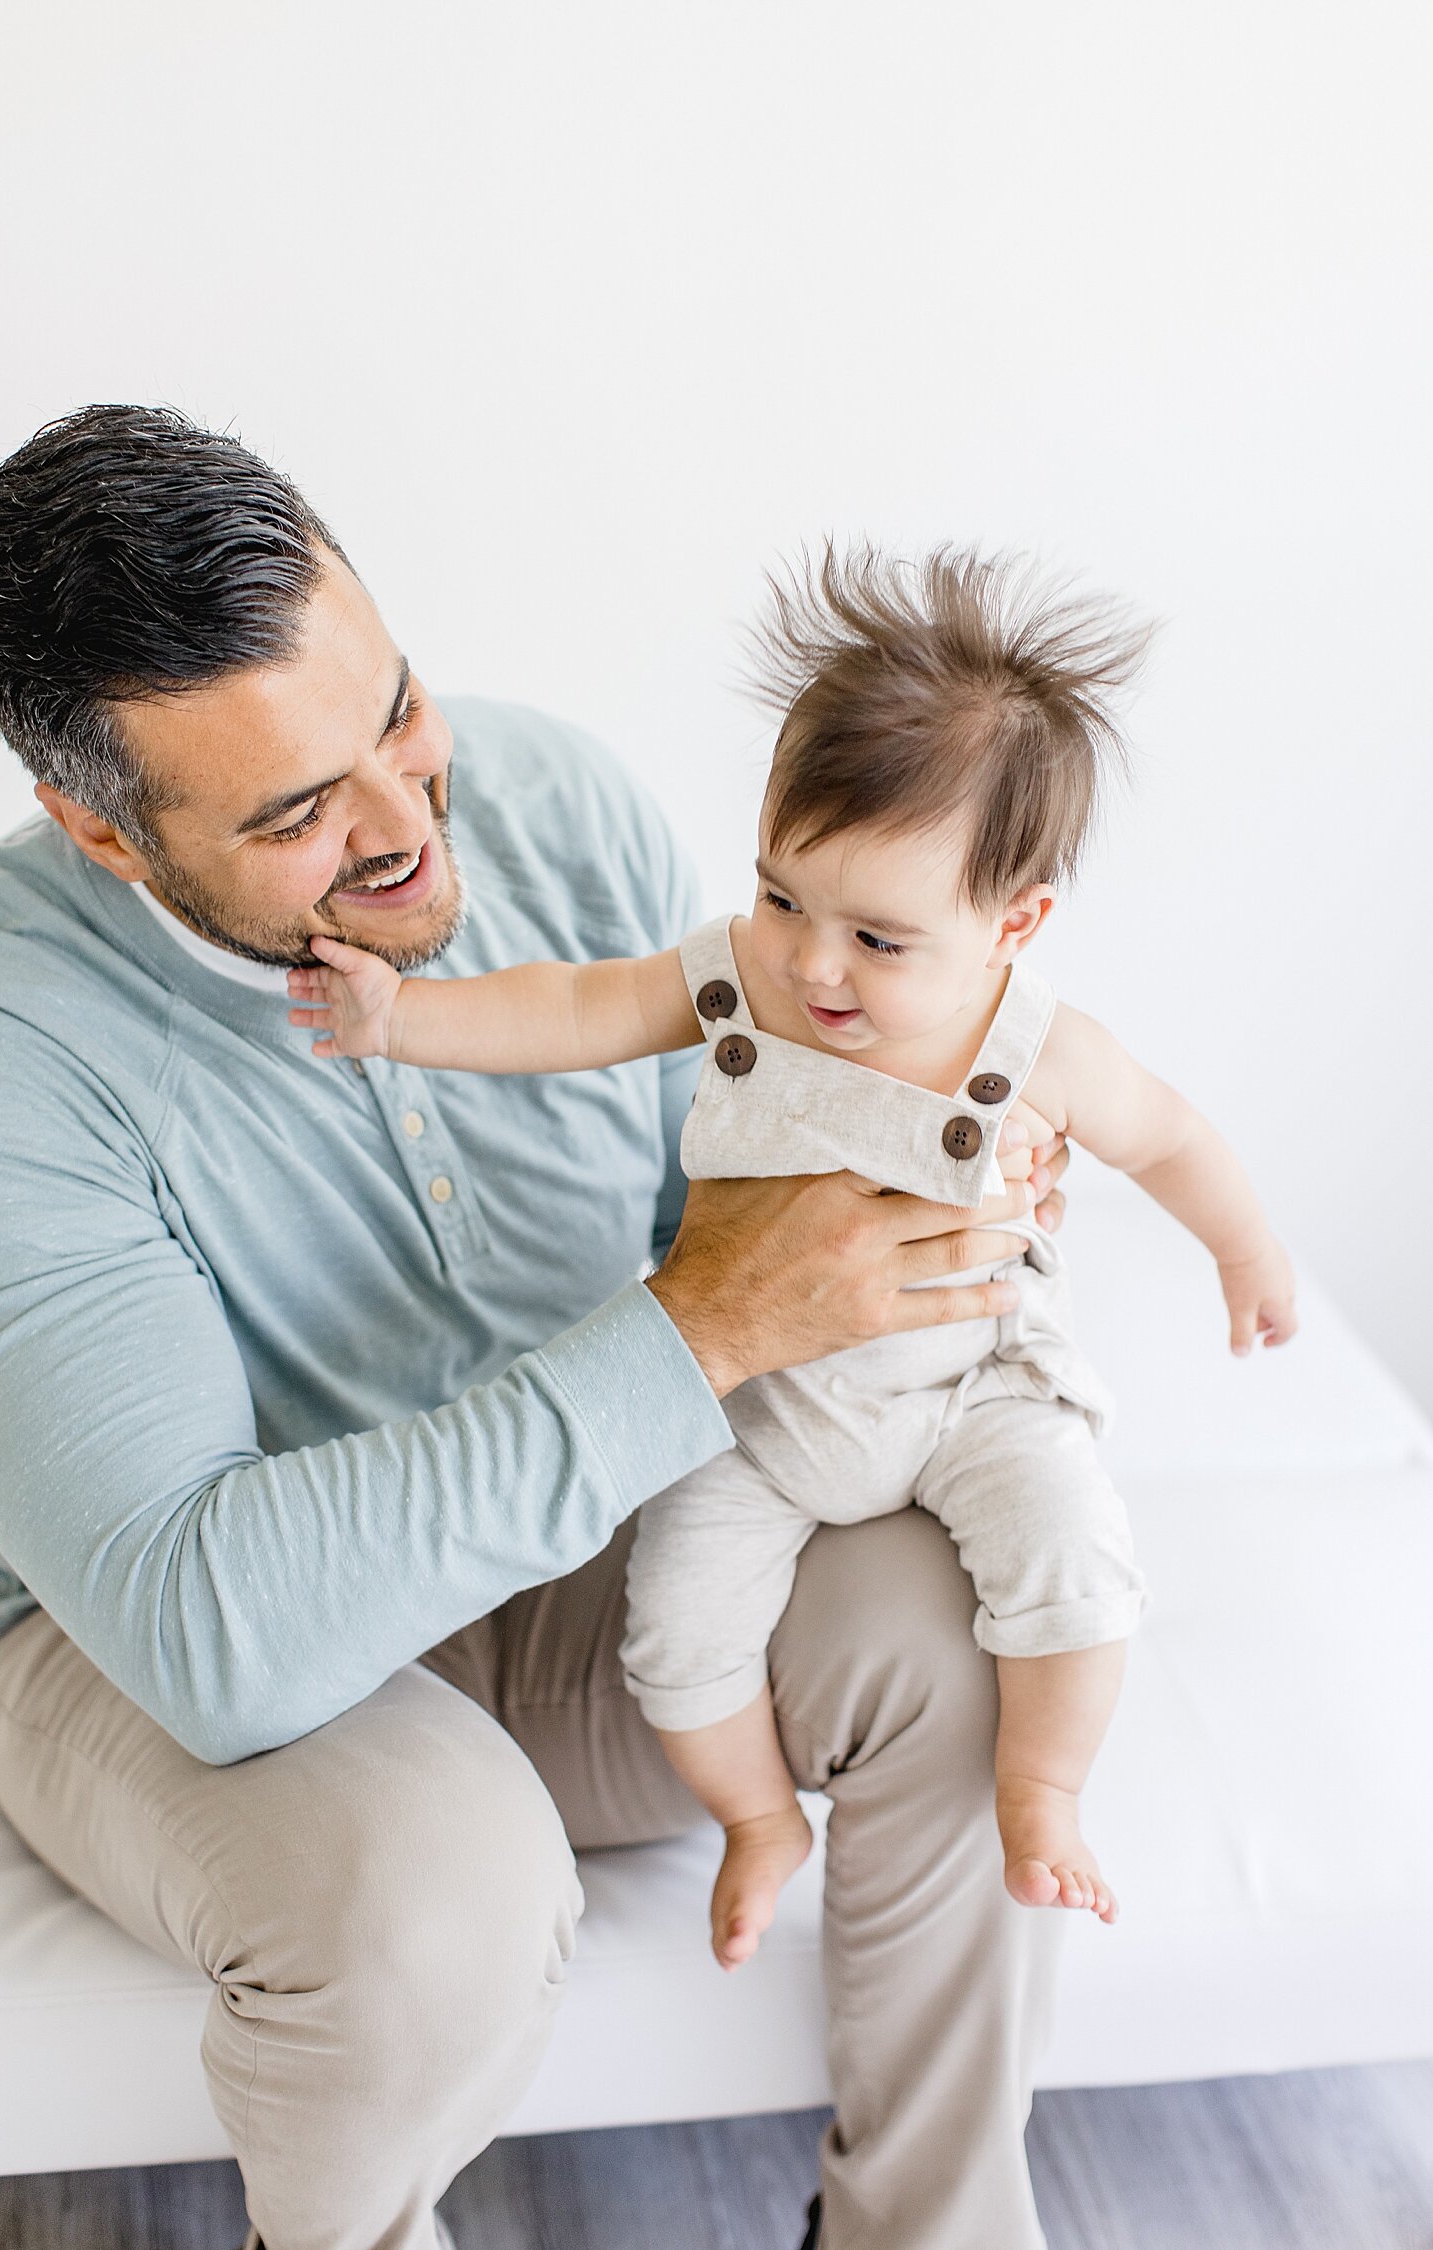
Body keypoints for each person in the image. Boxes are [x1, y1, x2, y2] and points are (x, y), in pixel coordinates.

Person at [0, 406, 1067, 2250]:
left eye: (392, 710)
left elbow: (739, 1218)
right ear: (100, 831)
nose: (405, 824)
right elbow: (206, 1631)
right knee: (430, 1886)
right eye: (299, 814)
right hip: (141, 1641)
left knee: (962, 1612)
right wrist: (700, 1327)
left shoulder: (554, 803)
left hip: (565, 1552)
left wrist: (931, 1192)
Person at [285, 542, 1298, 1968]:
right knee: (676, 1638)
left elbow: (1174, 1138)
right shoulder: (744, 979)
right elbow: (572, 1010)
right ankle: (761, 1818)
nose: (814, 967)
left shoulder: (1038, 1050)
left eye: (879, 938)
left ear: (1013, 924)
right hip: (756, 1409)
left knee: (1073, 1557)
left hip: (972, 1388)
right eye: (782, 897)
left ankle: (1044, 1791)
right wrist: (402, 1022)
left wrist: (1246, 1257)